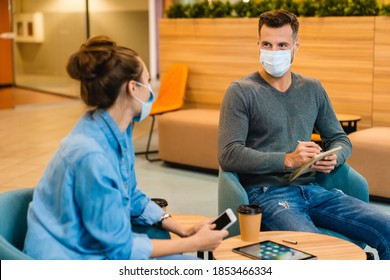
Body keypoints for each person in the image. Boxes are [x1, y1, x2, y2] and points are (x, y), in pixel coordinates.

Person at [24, 36, 228, 260]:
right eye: (148, 81)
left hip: (94, 246)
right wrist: (192, 244)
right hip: (67, 258)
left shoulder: (115, 130)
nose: (151, 90)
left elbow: (130, 194)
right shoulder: (91, 155)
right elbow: (121, 250)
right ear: (133, 88)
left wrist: (183, 230)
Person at [218, 9, 390, 259]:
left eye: (282, 45)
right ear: (257, 44)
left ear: (296, 46)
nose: (273, 51)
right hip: (267, 194)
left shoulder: (312, 88)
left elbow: (340, 139)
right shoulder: (241, 92)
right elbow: (228, 154)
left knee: (386, 228)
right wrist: (286, 159)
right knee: (317, 252)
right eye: (267, 44)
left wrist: (335, 157)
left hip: (315, 189)